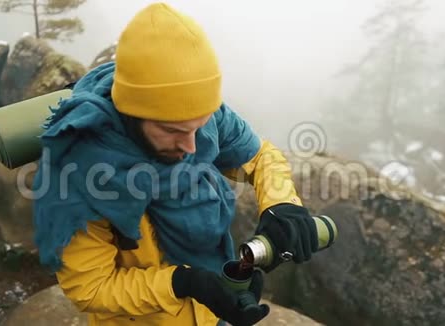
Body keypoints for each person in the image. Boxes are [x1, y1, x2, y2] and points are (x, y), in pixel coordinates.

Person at [32, 3, 319, 326]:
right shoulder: (79, 169)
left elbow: (260, 157)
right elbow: (91, 287)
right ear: (132, 114)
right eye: (173, 131)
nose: (192, 146)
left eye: (199, 126)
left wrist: (280, 204)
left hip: (213, 312)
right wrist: (182, 283)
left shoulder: (197, 115)